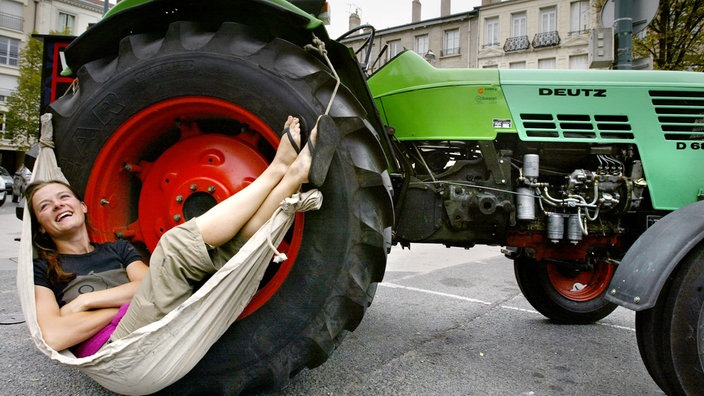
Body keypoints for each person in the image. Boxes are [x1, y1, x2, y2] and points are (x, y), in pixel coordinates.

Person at [28, 115, 322, 354]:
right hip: (116, 347)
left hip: (154, 324)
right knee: (172, 248)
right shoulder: (43, 269)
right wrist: (117, 310)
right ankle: (276, 170)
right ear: (39, 225)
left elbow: (145, 289)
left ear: (82, 206)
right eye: (45, 206)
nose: (57, 206)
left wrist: (84, 304)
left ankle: (294, 176)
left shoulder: (117, 249)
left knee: (237, 246)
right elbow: (53, 336)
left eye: (63, 198)